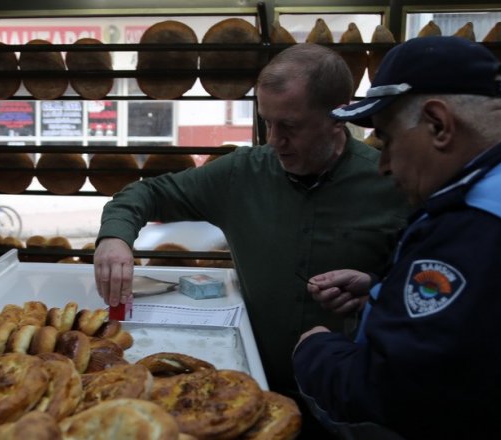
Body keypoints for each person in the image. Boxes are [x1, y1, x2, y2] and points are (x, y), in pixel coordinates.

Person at [94, 43, 410, 421]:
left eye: (289, 126)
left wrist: (375, 288)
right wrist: (115, 238)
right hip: (254, 384)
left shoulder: (394, 183)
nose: (274, 140)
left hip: (351, 399)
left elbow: (423, 290)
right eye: (267, 122)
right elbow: (146, 193)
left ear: (337, 117)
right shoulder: (241, 174)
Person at [294, 36, 501, 438]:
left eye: (386, 140)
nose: (383, 166)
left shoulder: (481, 222)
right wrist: (381, 291)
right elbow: (483, 317)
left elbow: (403, 392)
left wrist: (316, 352)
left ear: (438, 124)